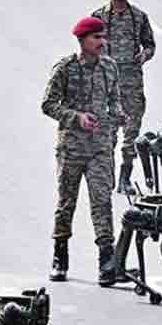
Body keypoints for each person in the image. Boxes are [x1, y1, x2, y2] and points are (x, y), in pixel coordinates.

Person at [42, 16, 123, 285]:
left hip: (100, 147)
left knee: (102, 201)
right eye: (96, 38)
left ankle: (106, 260)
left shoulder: (110, 68)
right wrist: (76, 117)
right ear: (82, 40)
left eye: (103, 37)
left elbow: (114, 100)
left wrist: (118, 116)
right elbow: (48, 104)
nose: (102, 42)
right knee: (67, 203)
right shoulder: (64, 69)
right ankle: (60, 255)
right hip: (72, 149)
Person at [92, 0, 155, 194]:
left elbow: (150, 45)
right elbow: (87, 47)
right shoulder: (98, 18)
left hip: (132, 84)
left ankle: (124, 178)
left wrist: (144, 56)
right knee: (108, 133)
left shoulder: (138, 17)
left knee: (131, 132)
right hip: (107, 84)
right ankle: (106, 177)